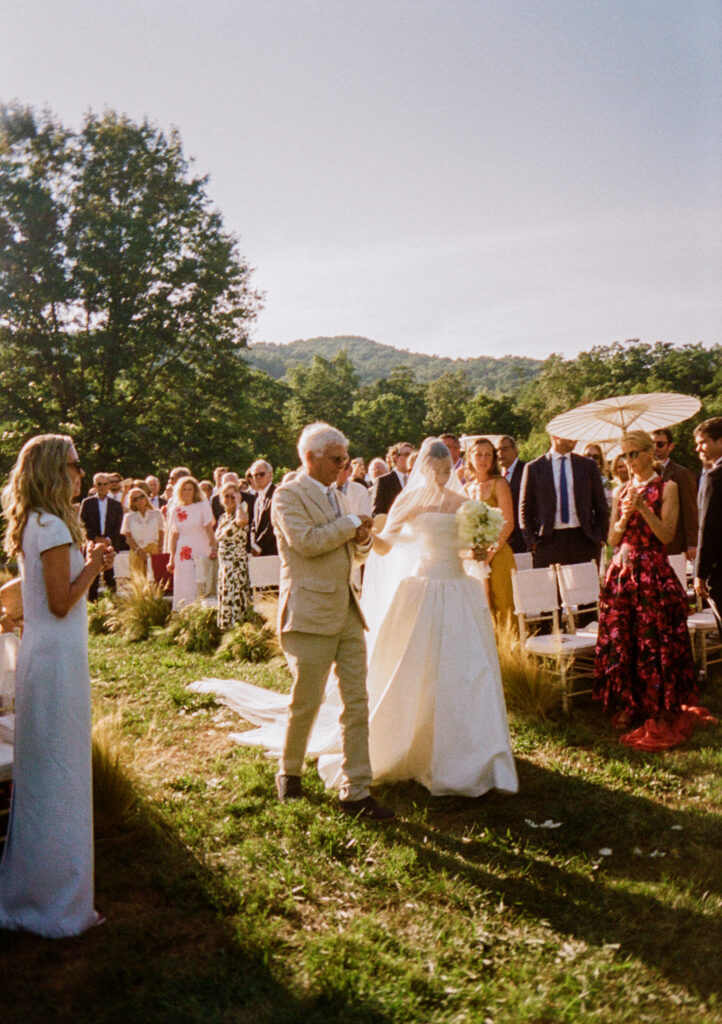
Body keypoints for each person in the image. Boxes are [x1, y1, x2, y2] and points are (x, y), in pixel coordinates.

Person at [194, 439, 518, 802]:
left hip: (458, 590)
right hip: (421, 589)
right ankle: (386, 752)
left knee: (465, 671)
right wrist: (366, 533)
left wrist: (474, 549)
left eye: (448, 472)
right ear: (425, 470)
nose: (444, 478)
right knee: (412, 670)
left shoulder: (464, 503)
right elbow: (382, 547)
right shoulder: (406, 501)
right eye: (438, 472)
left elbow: (465, 545)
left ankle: (467, 751)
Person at [0, 434, 113, 937]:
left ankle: (43, 893)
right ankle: (55, 907)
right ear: (51, 471)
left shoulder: (41, 523)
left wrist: (85, 558)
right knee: (58, 777)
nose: (81, 473)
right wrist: (96, 564)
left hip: (50, 656)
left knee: (52, 774)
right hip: (54, 661)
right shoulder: (48, 526)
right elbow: (62, 601)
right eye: (73, 465)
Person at [269, 422, 393, 821]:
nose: (345, 466)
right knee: (307, 700)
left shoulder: (338, 496)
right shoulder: (287, 495)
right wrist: (350, 525)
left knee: (357, 702)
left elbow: (352, 556)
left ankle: (355, 790)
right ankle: (289, 772)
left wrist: (362, 541)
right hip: (308, 613)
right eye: (338, 459)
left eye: (345, 459)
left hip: (348, 611)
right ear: (310, 457)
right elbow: (306, 542)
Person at [594, 430, 700, 747]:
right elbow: (612, 541)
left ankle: (661, 703)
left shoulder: (667, 487)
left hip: (652, 570)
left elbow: (667, 535)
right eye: (624, 455)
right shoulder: (621, 490)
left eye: (634, 454)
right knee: (624, 637)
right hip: (622, 572)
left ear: (649, 453)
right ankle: (630, 703)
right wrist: (624, 518)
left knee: (654, 637)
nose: (629, 461)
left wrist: (643, 509)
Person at [519, 435, 610, 567]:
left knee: (586, 586)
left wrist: (600, 537)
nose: (575, 438)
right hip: (549, 541)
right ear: (555, 436)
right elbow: (524, 510)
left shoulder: (587, 466)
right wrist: (532, 542)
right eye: (569, 435)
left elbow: (601, 505)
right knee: (553, 587)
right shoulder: (534, 468)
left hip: (584, 539)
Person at [464, 438, 515, 620]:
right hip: (475, 557)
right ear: (470, 457)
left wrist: (490, 553)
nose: (483, 459)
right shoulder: (466, 488)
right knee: (480, 608)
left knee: (503, 605)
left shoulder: (499, 484)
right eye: (478, 455)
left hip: (498, 553)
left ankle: (508, 648)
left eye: (488, 455)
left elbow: (508, 523)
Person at [168, 476, 216, 609]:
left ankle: (202, 612)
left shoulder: (202, 505)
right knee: (185, 581)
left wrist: (213, 548)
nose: (187, 492)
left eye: (190, 489)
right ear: (179, 491)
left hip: (201, 545)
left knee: (200, 581)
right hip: (183, 548)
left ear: (195, 491)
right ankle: (183, 612)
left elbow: (209, 529)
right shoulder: (175, 509)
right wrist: (171, 557)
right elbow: (174, 534)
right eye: (184, 489)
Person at [693, 418, 722, 637]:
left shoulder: (713, 478)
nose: (698, 448)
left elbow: (708, 528)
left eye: (703, 442)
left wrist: (699, 574)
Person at [651, 429, 698, 559]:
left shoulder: (681, 473)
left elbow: (690, 509)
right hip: (649, 544)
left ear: (670, 446)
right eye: (652, 444)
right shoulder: (643, 474)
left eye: (660, 444)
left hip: (674, 544)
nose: (655, 448)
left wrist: (692, 543)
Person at [80, 472, 124, 600]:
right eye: (99, 484)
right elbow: (82, 523)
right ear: (95, 485)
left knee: (110, 577)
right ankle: (93, 605)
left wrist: (108, 540)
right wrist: (95, 538)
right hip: (93, 544)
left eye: (105, 484)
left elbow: (118, 525)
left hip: (110, 543)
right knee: (92, 577)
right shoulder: (87, 503)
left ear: (109, 485)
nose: (103, 487)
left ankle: (113, 603)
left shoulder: (115, 505)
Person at [215, 482, 252, 630]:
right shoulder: (223, 517)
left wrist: (239, 504)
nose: (229, 499)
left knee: (236, 595)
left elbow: (242, 521)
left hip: (236, 563)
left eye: (232, 496)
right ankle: (226, 628)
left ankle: (237, 628)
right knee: (226, 594)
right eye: (226, 496)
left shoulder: (241, 512)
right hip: (224, 563)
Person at [121, 487, 164, 576]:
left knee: (156, 579)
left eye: (141, 497)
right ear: (132, 502)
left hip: (154, 550)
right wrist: (139, 551)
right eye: (135, 499)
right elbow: (128, 538)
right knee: (139, 581)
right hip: (137, 551)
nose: (139, 500)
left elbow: (162, 533)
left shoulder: (156, 514)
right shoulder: (129, 517)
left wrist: (159, 550)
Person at [495, 436, 528, 554]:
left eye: (504, 449)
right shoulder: (496, 476)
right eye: (497, 450)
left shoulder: (527, 470)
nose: (500, 453)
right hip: (503, 542)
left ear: (516, 450)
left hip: (524, 541)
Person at [371, 442, 414, 516]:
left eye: (412, 456)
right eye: (407, 455)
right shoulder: (383, 481)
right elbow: (377, 513)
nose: (410, 459)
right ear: (395, 458)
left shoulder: (416, 480)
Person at [248, 460, 277, 556]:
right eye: (255, 475)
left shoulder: (276, 494)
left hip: (274, 551)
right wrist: (253, 544)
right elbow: (253, 526)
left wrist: (258, 546)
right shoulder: (257, 498)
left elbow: (273, 523)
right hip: (259, 554)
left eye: (261, 474)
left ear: (270, 475)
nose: (258, 477)